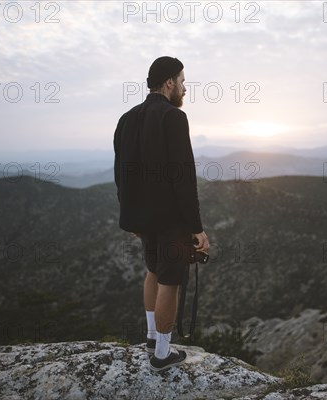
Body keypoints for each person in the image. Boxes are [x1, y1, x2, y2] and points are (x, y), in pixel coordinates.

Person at [113, 56, 209, 371]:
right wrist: (196, 228)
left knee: (153, 271)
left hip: (142, 219)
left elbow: (121, 174)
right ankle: (162, 355)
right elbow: (184, 178)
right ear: (169, 82)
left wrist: (131, 218)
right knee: (170, 281)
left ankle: (153, 336)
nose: (184, 87)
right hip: (171, 219)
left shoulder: (126, 119)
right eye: (182, 81)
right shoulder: (174, 118)